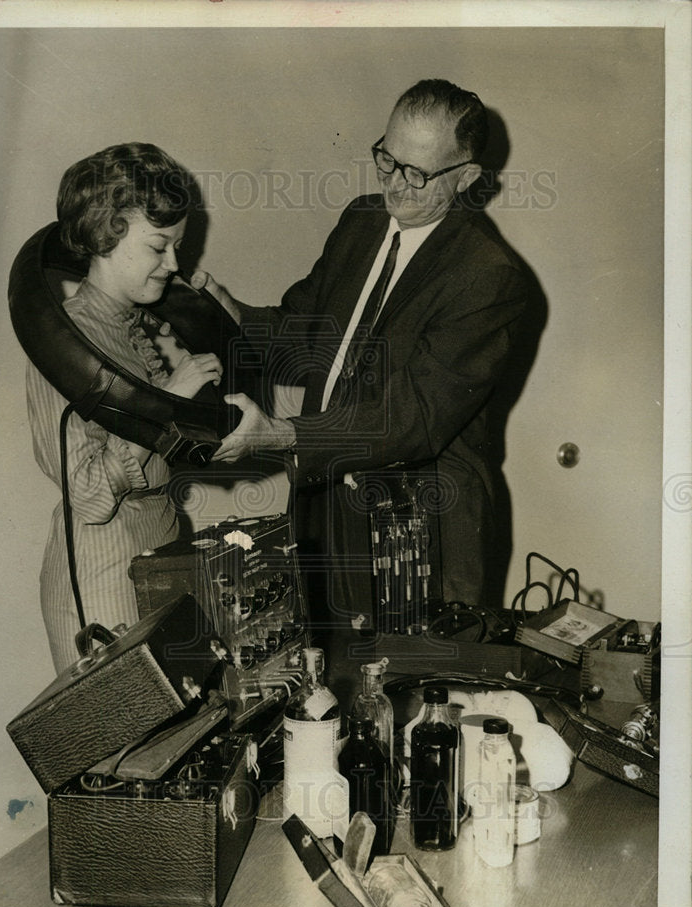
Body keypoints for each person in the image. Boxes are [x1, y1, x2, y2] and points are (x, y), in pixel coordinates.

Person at [199, 78, 528, 638]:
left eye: (418, 173)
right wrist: (231, 312)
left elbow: (413, 415)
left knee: (411, 697)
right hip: (324, 508)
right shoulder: (361, 220)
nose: (396, 186)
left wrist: (285, 435)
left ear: (467, 177)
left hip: (420, 528)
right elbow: (306, 330)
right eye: (387, 159)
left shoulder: (487, 275)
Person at [26, 142, 224, 673]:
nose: (175, 263)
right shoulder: (64, 339)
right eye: (160, 246)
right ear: (107, 233)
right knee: (123, 746)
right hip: (104, 572)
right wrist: (172, 402)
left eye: (177, 246)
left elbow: (170, 452)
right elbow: (89, 496)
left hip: (159, 548)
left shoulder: (130, 328)